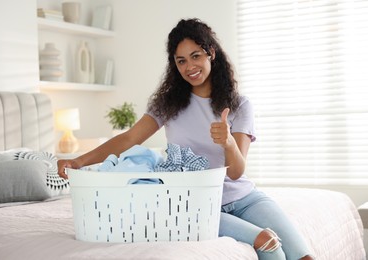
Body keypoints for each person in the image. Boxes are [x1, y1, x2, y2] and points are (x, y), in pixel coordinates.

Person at [57, 18, 314, 260]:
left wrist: (228, 143)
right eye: (180, 61)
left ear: (211, 53)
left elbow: (236, 172)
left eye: (196, 56)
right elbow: (129, 138)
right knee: (269, 244)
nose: (189, 67)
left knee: (304, 256)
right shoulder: (167, 104)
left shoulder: (239, 105)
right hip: (197, 203)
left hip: (245, 198)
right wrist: (78, 161)